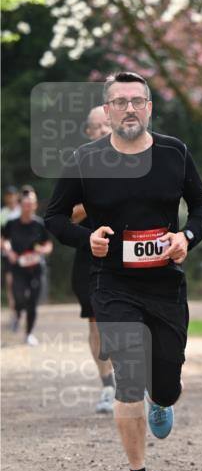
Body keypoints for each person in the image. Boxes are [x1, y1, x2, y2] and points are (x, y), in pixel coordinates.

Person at [45, 71, 202, 471]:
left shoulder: (174, 153)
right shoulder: (86, 158)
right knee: (128, 378)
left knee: (166, 381)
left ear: (149, 108)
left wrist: (187, 238)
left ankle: (163, 399)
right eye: (120, 102)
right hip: (112, 283)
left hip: (165, 285)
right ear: (109, 110)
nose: (130, 109)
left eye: (137, 101)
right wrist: (88, 239)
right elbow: (56, 218)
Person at [70, 106, 116, 413]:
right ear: (88, 133)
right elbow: (68, 216)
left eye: (105, 126)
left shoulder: (138, 159)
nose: (100, 131)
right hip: (90, 254)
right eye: (95, 128)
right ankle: (108, 388)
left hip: (129, 252)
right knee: (97, 321)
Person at [2, 189, 53, 344]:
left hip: (36, 267)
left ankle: (29, 333)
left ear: (35, 206)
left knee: (33, 301)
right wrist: (9, 251)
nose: (28, 207)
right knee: (18, 297)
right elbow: (3, 240)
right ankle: (18, 313)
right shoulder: (12, 224)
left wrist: (43, 250)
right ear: (20, 205)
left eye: (31, 204)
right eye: (25, 204)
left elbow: (48, 244)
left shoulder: (40, 224)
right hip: (18, 267)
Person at [1, 185, 20, 312]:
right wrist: (8, 251)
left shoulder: (22, 210)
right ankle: (14, 311)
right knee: (10, 283)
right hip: (8, 254)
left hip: (23, 252)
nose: (10, 198)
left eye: (12, 195)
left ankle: (22, 309)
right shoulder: (2, 214)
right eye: (8, 195)